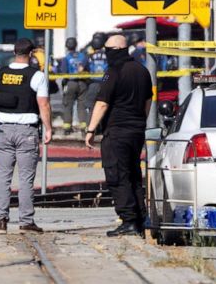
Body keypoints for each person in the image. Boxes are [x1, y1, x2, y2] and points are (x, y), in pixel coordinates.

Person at [0, 37, 53, 233]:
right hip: (26, 131)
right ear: (31, 54)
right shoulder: (36, 76)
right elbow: (43, 104)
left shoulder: (0, 73)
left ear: (14, 53)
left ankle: (1, 220)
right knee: (26, 178)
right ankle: (26, 221)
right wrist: (49, 128)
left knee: (3, 176)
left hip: (3, 131)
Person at [84, 34, 153, 237]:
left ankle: (129, 221)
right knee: (133, 175)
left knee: (117, 176)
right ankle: (141, 219)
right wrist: (140, 121)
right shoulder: (142, 71)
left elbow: (102, 102)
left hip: (117, 132)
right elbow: (148, 101)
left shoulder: (113, 71)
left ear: (114, 51)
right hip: (136, 131)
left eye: (108, 50)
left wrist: (90, 130)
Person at [55, 36, 88, 134]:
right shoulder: (83, 56)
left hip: (70, 83)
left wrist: (64, 83)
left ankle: (67, 128)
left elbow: (64, 72)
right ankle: (84, 127)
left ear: (66, 46)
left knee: (68, 105)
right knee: (82, 106)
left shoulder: (66, 58)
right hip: (82, 83)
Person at [81, 32, 109, 128]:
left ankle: (90, 129)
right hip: (106, 84)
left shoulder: (89, 55)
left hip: (93, 84)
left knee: (91, 107)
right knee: (105, 106)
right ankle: (104, 128)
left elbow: (80, 69)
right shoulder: (108, 55)